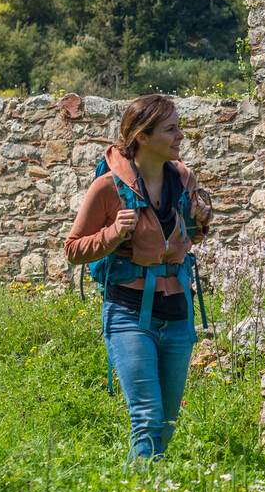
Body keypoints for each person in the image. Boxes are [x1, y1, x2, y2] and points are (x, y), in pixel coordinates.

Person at [65, 94, 213, 459]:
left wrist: (201, 221)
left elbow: (186, 238)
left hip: (178, 313)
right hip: (129, 314)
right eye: (171, 129)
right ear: (142, 137)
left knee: (167, 422)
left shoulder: (184, 179)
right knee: (147, 418)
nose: (181, 136)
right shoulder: (108, 188)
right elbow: (73, 249)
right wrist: (113, 234)